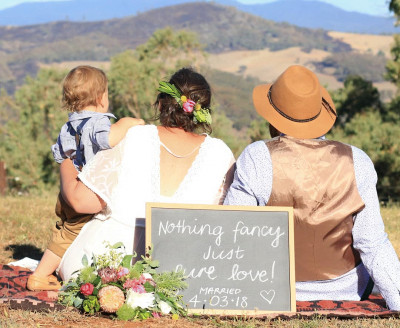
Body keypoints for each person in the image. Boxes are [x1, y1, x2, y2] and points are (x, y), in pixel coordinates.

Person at [224, 65, 400, 310]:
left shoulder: (256, 157)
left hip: (273, 286)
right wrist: (397, 302)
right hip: (348, 288)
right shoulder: (357, 159)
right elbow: (372, 242)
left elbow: (234, 232)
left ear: (273, 117)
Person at [58, 67, 235, 281]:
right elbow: (225, 222)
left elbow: (81, 202)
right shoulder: (221, 153)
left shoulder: (133, 136)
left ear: (161, 104)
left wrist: (66, 162)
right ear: (202, 111)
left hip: (107, 266)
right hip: (187, 275)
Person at [27, 65, 144, 291]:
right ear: (101, 98)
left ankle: (52, 265)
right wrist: (126, 123)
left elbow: (60, 153)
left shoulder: (69, 125)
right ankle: (40, 276)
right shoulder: (98, 122)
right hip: (84, 188)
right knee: (68, 234)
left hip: (67, 189)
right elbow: (107, 140)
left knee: (63, 229)